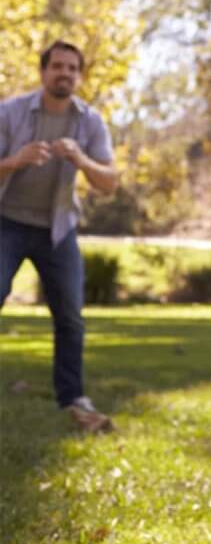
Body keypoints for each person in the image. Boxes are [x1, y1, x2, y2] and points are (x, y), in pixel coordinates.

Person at [0, 40, 119, 432]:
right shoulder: (10, 112)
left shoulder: (90, 122)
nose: (64, 73)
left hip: (58, 229)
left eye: (72, 68)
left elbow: (109, 183)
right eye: (57, 67)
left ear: (79, 76)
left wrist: (81, 159)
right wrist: (15, 161)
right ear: (43, 72)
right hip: (7, 223)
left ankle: (72, 396)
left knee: (70, 316)